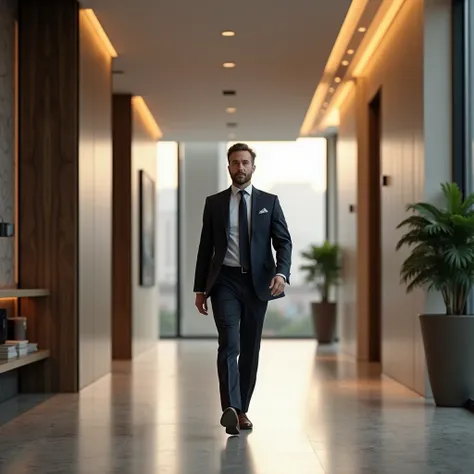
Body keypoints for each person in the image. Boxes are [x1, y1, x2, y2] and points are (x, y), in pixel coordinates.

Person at [193, 142, 292, 435]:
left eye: (245, 163)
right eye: (235, 163)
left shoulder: (269, 202)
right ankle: (230, 409)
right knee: (229, 343)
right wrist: (200, 289)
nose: (240, 168)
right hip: (224, 281)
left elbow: (283, 242)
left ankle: (242, 409)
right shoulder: (215, 203)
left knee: (250, 349)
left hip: (257, 284)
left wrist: (282, 273)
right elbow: (205, 248)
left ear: (253, 167)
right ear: (228, 167)